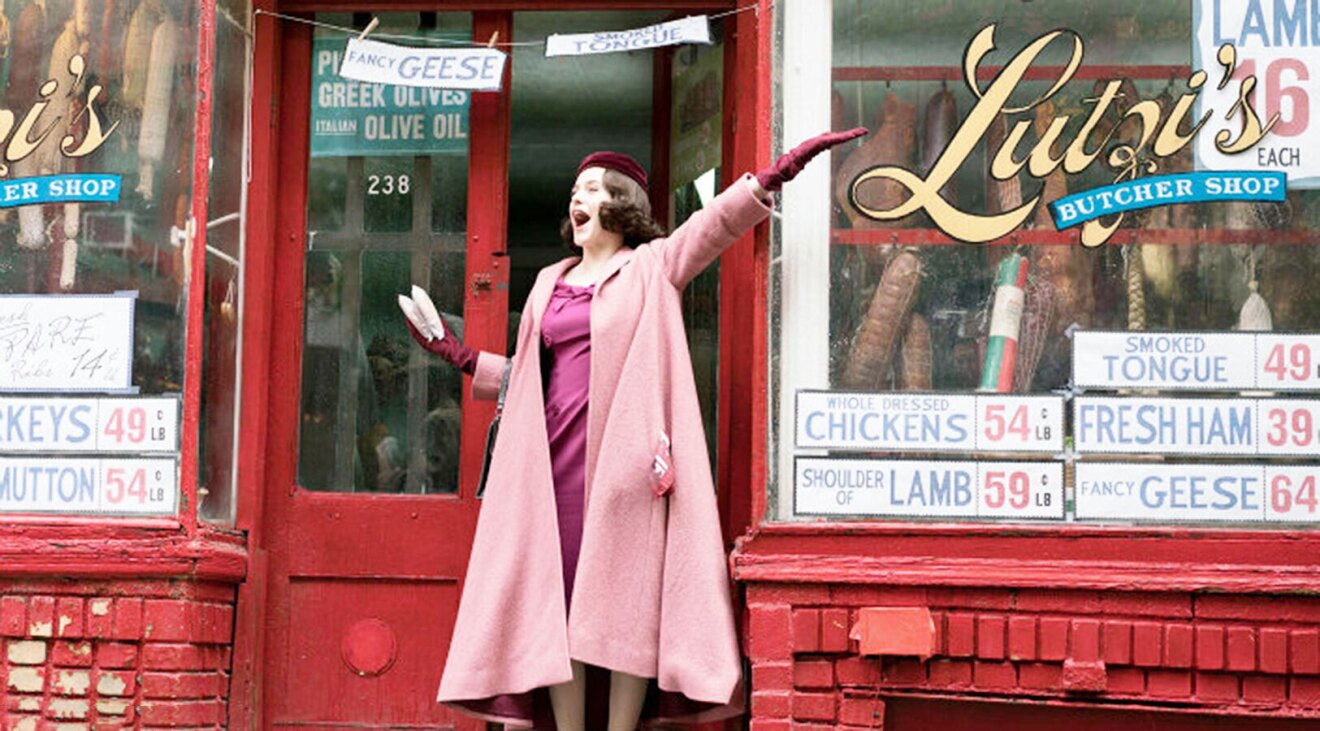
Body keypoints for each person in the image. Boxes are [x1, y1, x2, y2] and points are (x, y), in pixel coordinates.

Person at [405, 129, 866, 731]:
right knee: (561, 605)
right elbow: (530, 375)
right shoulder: (549, 281)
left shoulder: (651, 266)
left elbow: (712, 226)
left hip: (625, 467)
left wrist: (773, 175)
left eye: (593, 188)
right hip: (553, 463)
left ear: (620, 204)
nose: (579, 198)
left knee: (625, 609)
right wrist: (458, 354)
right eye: (576, 189)